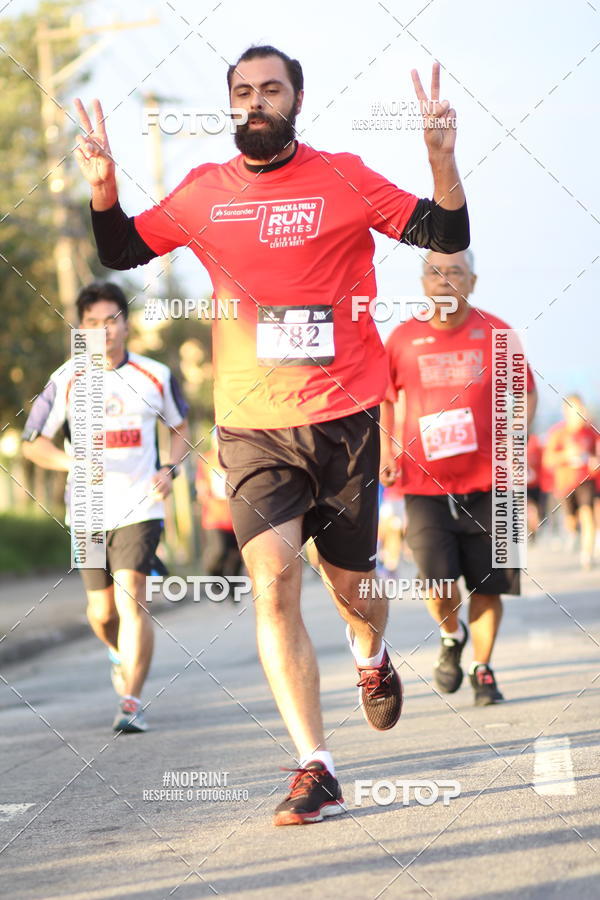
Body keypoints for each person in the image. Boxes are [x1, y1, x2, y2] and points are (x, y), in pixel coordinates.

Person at [73, 45, 469, 824]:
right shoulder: (202, 192)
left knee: (355, 592)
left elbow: (443, 228)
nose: (256, 102)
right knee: (273, 582)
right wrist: (103, 187)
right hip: (253, 427)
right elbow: (122, 250)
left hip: (344, 419)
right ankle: (315, 764)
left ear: (296, 99)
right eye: (243, 92)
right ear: (231, 105)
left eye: (271, 90)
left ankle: (370, 654)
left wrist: (440, 159)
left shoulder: (345, 176)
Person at [21, 282, 190, 732]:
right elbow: (32, 443)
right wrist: (71, 461)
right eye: (94, 323)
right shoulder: (66, 379)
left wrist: (169, 470)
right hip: (89, 514)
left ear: (126, 324)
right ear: (81, 330)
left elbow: (179, 426)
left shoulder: (155, 374)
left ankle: (131, 701)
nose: (105, 330)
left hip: (141, 508)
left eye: (112, 320)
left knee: (132, 598)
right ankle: (118, 653)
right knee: (102, 614)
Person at [381, 249, 537, 706]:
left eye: (455, 272)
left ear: (472, 281)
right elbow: (385, 401)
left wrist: (515, 438)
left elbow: (524, 394)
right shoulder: (402, 339)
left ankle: (482, 669)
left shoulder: (498, 332)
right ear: (422, 282)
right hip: (424, 484)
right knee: (438, 582)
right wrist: (387, 449)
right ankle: (451, 634)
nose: (444, 279)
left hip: (495, 483)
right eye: (435, 272)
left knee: (491, 585)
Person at [543, 395, 599, 569]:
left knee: (588, 515)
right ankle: (573, 532)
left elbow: (596, 456)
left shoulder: (591, 432)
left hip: (586, 480)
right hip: (565, 484)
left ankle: (586, 555)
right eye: (574, 410)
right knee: (571, 521)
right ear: (566, 412)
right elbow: (548, 460)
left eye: (581, 409)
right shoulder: (558, 433)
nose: (579, 413)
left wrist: (593, 461)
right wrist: (566, 455)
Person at [195, 443, 243, 583]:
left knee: (236, 555)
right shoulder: (207, 459)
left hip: (236, 515)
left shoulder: (237, 457)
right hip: (215, 516)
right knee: (219, 551)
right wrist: (202, 492)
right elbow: (201, 486)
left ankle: (233, 588)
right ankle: (215, 579)